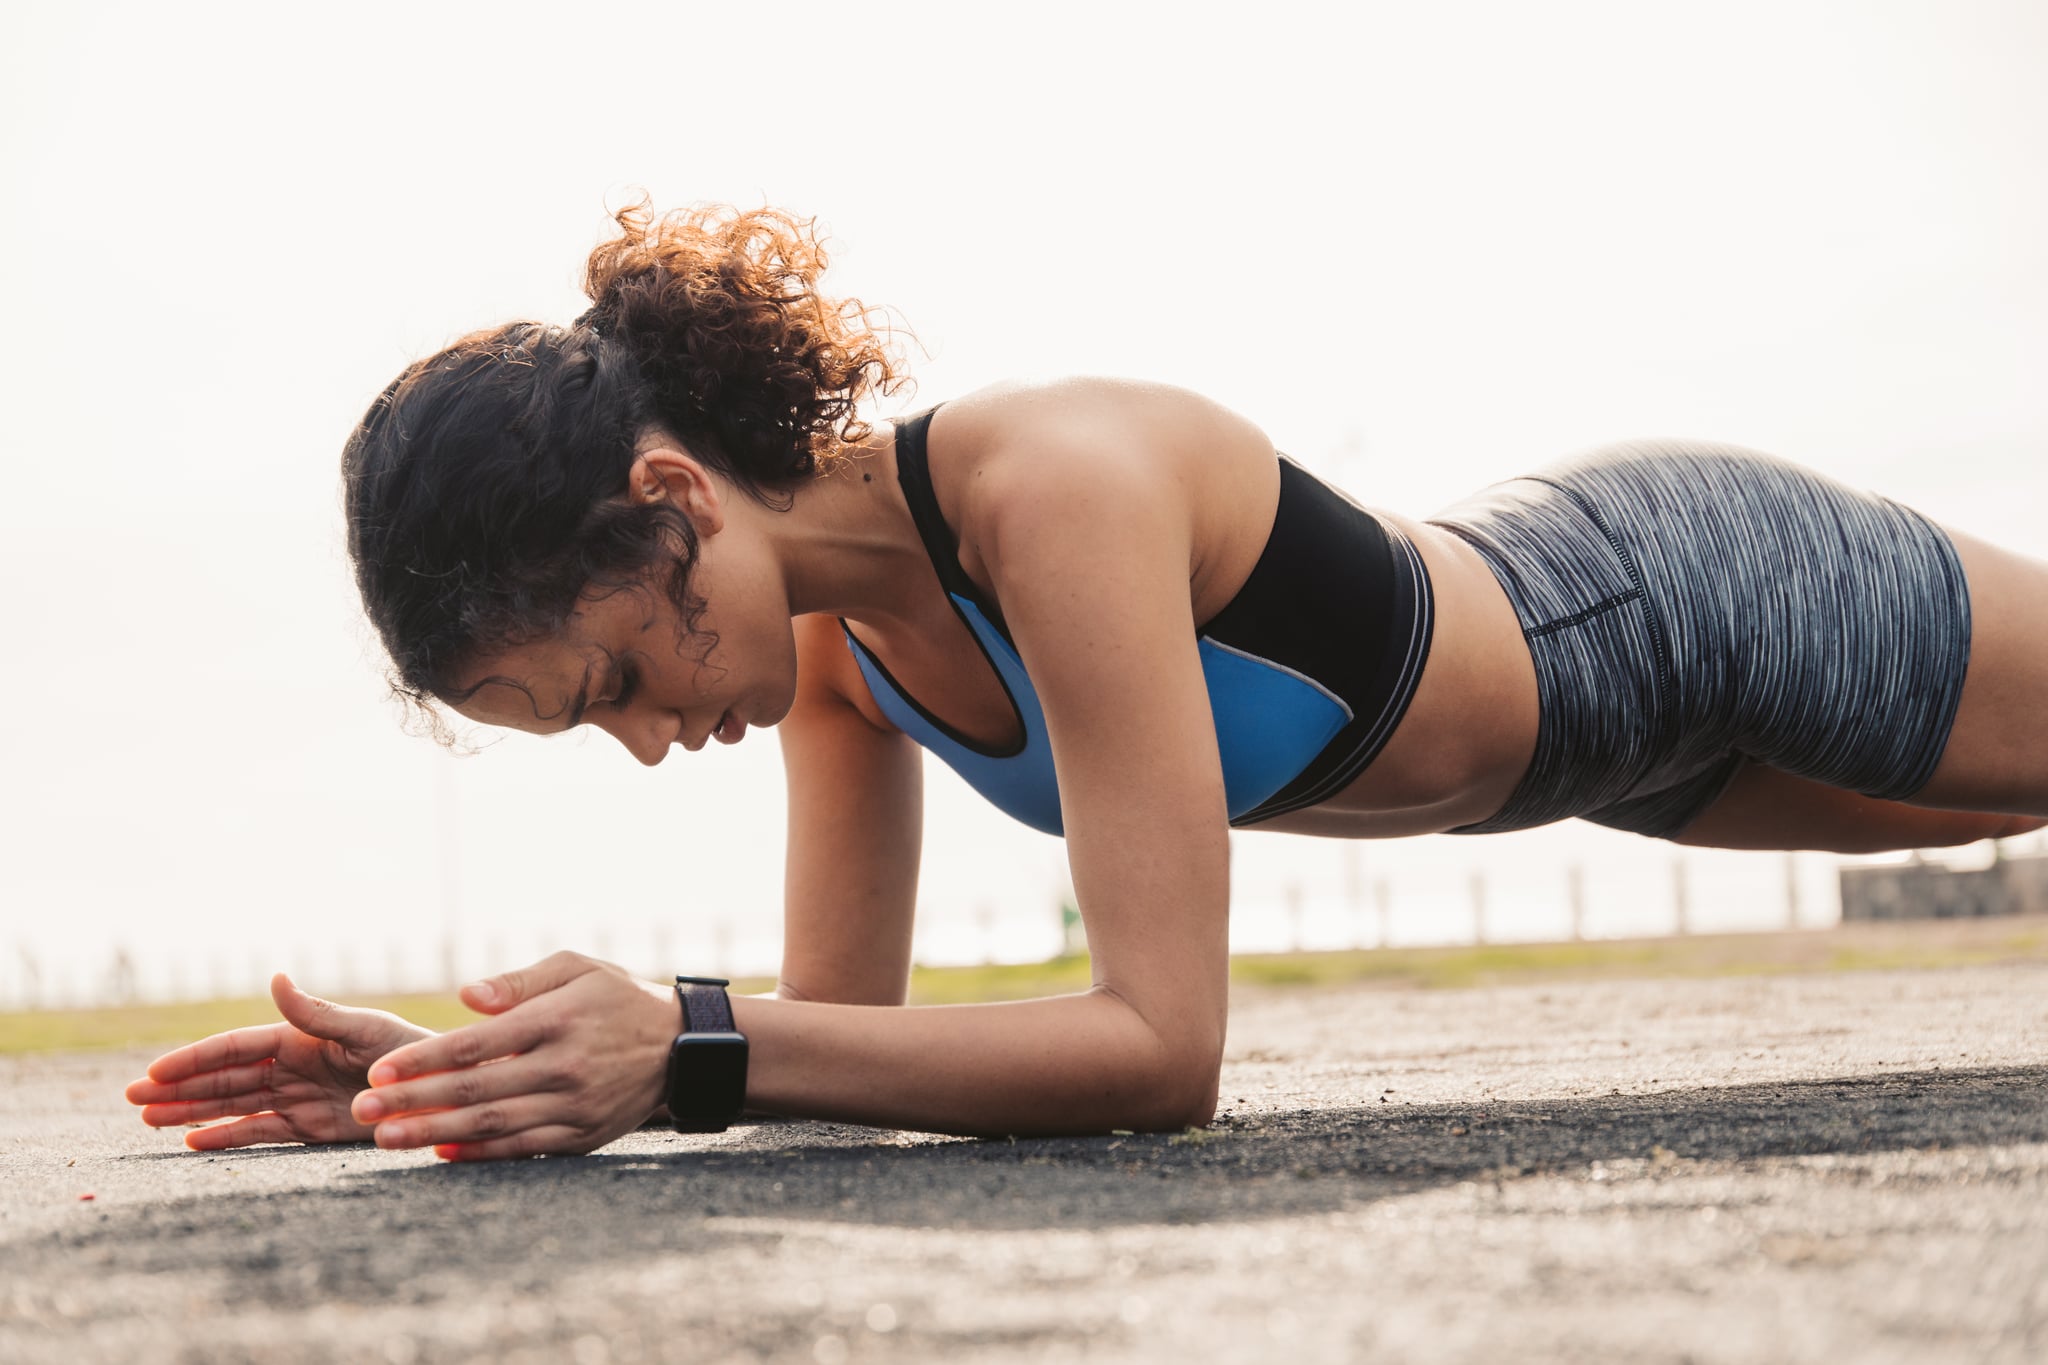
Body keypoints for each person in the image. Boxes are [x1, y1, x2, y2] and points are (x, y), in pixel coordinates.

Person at [127, 201, 2048, 1161]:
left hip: (1679, 595)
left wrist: (690, 1030)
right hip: (1639, 770)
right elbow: (839, 1045)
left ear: (670, 502)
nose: (648, 742)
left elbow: (1160, 1046)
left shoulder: (1056, 491)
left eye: (614, 676)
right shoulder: (834, 665)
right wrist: (481, 1077)